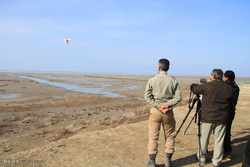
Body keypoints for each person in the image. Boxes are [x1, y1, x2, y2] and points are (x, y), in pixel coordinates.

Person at [190, 69, 233, 167]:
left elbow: (195, 90)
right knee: (219, 140)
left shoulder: (208, 86)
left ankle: (202, 158)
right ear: (222, 77)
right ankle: (217, 162)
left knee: (204, 139)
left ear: (213, 76)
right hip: (222, 118)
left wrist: (193, 84)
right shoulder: (228, 88)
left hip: (208, 117)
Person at [145, 58, 182, 167]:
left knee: (153, 137)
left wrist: (158, 106)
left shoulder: (152, 80)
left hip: (155, 112)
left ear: (158, 67)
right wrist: (167, 105)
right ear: (168, 68)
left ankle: (152, 161)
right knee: (170, 136)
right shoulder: (173, 80)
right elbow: (178, 97)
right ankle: (168, 161)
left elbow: (147, 97)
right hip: (168, 112)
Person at [223, 70, 240, 160]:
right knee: (226, 131)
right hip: (230, 112)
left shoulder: (232, 88)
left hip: (228, 113)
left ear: (227, 79)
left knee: (226, 132)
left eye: (224, 77)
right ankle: (226, 150)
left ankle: (227, 151)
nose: (222, 79)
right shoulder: (234, 87)